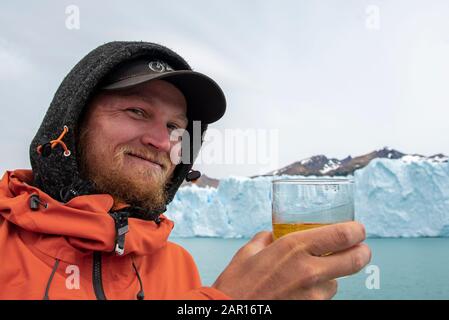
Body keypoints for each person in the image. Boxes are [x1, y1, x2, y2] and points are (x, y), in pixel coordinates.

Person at [0, 41, 371, 300]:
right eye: (138, 112)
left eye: (177, 129)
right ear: (71, 121)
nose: (162, 141)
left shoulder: (178, 266)